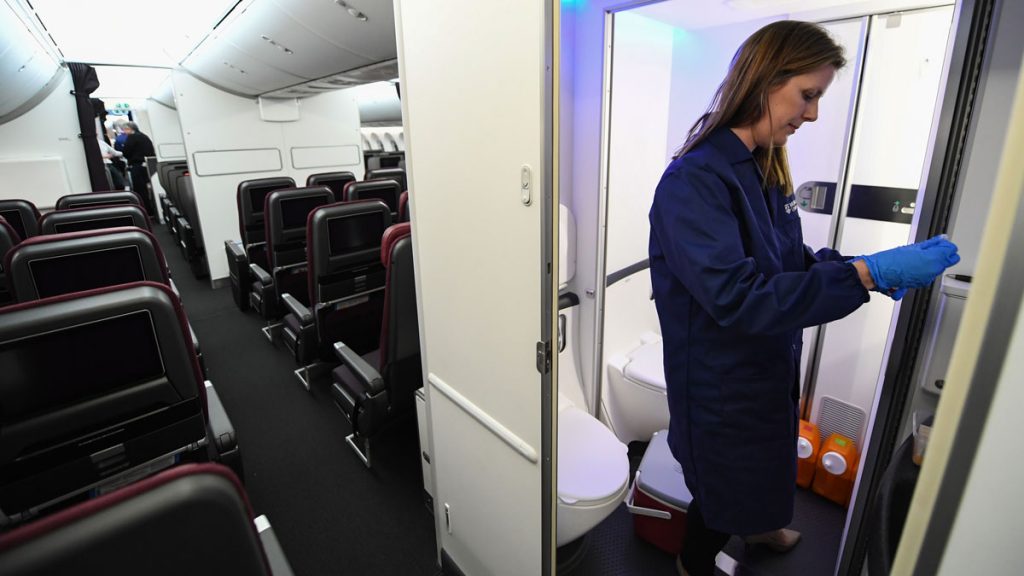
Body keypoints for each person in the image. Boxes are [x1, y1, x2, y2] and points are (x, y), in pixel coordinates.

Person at [647, 21, 959, 576]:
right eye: (807, 95)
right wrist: (863, 276)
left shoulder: (765, 170)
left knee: (764, 465)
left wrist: (863, 269)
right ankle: (693, 563)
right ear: (764, 79)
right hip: (720, 382)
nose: (812, 114)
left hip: (766, 366)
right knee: (721, 490)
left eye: (818, 98)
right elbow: (738, 297)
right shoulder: (694, 181)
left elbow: (788, 261)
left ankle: (761, 528)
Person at [121, 121, 156, 214]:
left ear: (129, 129)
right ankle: (153, 209)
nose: (124, 132)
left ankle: (146, 210)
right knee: (149, 187)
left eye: (125, 129)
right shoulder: (144, 136)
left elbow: (126, 152)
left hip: (137, 166)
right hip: (147, 164)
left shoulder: (132, 137)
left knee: (140, 189)